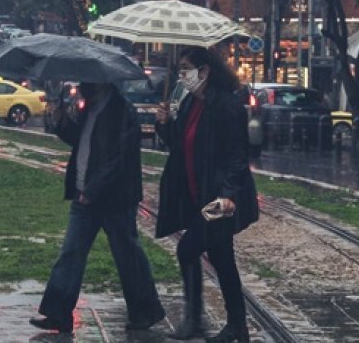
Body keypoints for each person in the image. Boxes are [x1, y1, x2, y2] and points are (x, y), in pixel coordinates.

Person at [30, 81, 165, 334]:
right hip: (86, 198)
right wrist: (59, 118)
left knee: (128, 255)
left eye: (86, 81)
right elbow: (79, 141)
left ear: (102, 82)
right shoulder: (89, 108)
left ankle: (145, 312)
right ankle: (58, 314)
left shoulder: (122, 111)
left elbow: (118, 158)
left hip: (114, 199)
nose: (81, 86)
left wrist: (92, 190)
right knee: (70, 254)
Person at [155, 46, 259, 343]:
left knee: (187, 249)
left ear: (205, 71)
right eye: (179, 70)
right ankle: (237, 326)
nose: (181, 75)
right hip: (196, 196)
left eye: (186, 68)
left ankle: (194, 321)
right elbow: (179, 144)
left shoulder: (226, 105)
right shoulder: (190, 104)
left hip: (218, 201)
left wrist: (226, 196)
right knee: (222, 258)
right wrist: (164, 124)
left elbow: (237, 157)